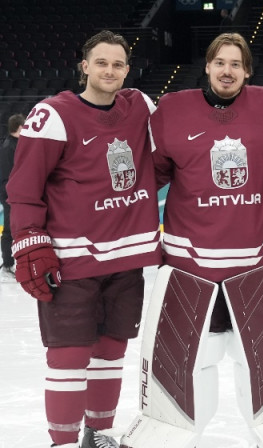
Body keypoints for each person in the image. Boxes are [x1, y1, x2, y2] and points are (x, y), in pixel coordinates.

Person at [120, 33, 263, 448]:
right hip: (191, 269)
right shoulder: (172, 111)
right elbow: (150, 174)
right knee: (193, 369)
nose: (227, 71)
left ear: (247, 70)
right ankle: (175, 436)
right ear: (207, 66)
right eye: (219, 62)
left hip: (259, 266)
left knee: (260, 369)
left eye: (236, 64)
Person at [5, 30, 161, 448]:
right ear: (85, 66)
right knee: (69, 357)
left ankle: (99, 434)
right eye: (102, 62)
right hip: (72, 259)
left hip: (126, 259)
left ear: (128, 70)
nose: (110, 70)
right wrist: (30, 242)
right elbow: (23, 189)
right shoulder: (52, 115)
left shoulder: (140, 106)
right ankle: (63, 442)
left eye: (118, 64)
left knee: (111, 352)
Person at [0, 113, 24, 280]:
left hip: (17, 193)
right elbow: (8, 176)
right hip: (10, 194)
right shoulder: (9, 147)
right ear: (19, 128)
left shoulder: (17, 144)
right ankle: (8, 263)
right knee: (9, 229)